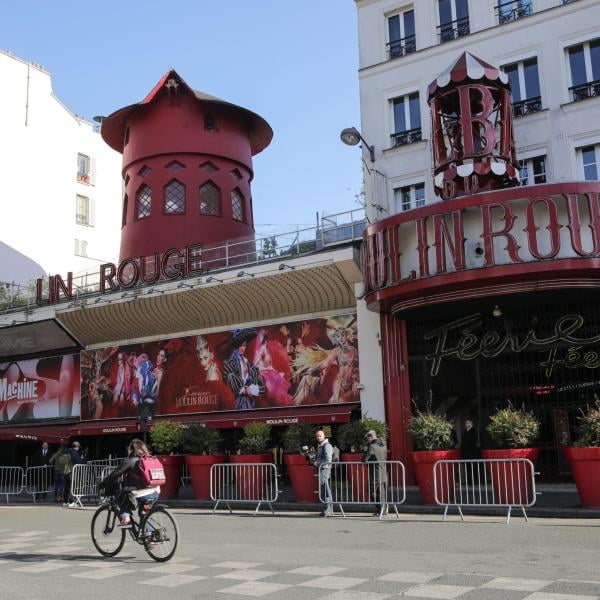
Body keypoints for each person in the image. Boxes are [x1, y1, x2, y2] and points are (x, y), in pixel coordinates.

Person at [100, 439, 160, 528]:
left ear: (131, 449)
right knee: (144, 513)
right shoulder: (150, 459)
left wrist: (104, 482)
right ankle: (149, 536)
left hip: (142, 493)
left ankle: (126, 519)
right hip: (155, 491)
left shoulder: (131, 460)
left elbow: (115, 473)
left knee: (120, 497)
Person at [223, 329, 265, 410]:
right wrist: (245, 390)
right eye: (240, 345)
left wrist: (251, 389)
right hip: (234, 404)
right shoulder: (229, 363)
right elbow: (228, 380)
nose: (242, 348)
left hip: (248, 403)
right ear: (236, 346)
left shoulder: (249, 364)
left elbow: (261, 386)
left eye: (244, 345)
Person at [362, 430, 388, 515]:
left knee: (372, 490)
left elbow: (365, 459)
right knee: (381, 492)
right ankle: (383, 509)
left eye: (368, 438)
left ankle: (380, 509)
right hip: (383, 472)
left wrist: (365, 451)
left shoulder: (372, 446)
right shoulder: (384, 445)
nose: (367, 440)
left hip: (375, 473)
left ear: (370, 437)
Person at [314, 430, 333, 517]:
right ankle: (327, 509)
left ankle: (328, 510)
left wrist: (317, 463)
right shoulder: (321, 446)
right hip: (322, 468)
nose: (318, 437)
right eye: (317, 436)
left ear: (324, 436)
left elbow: (328, 459)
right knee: (324, 489)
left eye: (320, 436)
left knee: (325, 489)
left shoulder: (327, 446)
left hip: (325, 469)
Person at [63, 441, 85, 507]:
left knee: (67, 487)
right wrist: (82, 459)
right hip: (72, 471)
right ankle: (71, 501)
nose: (79, 449)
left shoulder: (68, 451)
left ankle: (65, 502)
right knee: (71, 487)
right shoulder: (74, 453)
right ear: (76, 447)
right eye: (78, 447)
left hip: (66, 471)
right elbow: (79, 462)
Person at [460, 419, 480, 485]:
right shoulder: (465, 431)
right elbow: (463, 442)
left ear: (471, 424)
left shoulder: (474, 431)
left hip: (472, 453)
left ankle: (474, 481)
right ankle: (469, 481)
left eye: (467, 423)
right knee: (467, 468)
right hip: (466, 453)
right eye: (465, 423)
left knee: (473, 467)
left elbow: (474, 442)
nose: (466, 424)